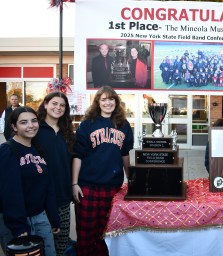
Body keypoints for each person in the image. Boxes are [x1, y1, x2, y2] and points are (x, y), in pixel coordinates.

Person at [72, 86, 134, 256]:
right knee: (86, 234)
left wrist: (131, 179)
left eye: (111, 99)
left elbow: (125, 154)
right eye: (103, 99)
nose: (108, 102)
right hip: (88, 187)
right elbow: (78, 155)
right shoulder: (87, 124)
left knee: (107, 233)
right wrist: (74, 183)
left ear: (116, 102)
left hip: (112, 187)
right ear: (98, 103)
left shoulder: (124, 125)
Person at [0, 106, 60, 256]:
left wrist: (53, 218)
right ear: (14, 126)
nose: (31, 125)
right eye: (24, 122)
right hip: (16, 221)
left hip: (40, 217)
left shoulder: (37, 149)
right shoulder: (8, 151)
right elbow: (10, 192)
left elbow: (47, 186)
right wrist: (19, 227)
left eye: (34, 121)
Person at [36, 92, 75, 256]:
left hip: (62, 196)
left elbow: (73, 161)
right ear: (45, 104)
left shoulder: (68, 132)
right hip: (39, 199)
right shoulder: (35, 129)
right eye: (54, 103)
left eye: (62, 105)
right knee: (42, 244)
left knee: (61, 243)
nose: (58, 107)